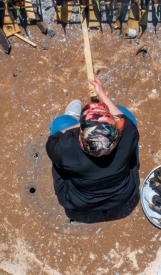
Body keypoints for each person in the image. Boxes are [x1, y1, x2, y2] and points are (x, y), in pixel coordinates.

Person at [46, 76, 140, 215]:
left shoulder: (65, 150)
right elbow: (122, 118)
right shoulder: (128, 134)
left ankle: (73, 117)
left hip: (81, 201)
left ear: (81, 137)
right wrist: (101, 93)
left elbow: (54, 138)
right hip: (122, 194)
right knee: (124, 113)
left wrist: (81, 124)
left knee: (61, 123)